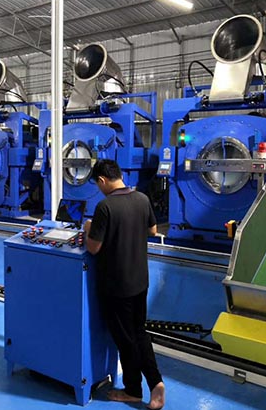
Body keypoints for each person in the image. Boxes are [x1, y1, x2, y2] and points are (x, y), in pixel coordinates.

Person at [84, 159, 165, 410]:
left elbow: (93, 247)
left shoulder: (105, 207)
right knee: (139, 332)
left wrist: (88, 229)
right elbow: (153, 230)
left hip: (117, 286)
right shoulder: (141, 198)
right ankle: (156, 382)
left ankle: (133, 390)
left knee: (126, 339)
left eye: (97, 184)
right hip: (140, 280)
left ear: (102, 180)